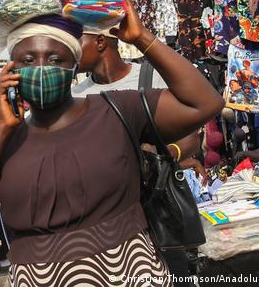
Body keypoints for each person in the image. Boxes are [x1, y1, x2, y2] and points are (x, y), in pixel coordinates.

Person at [0, 0, 224, 286]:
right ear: (11, 71)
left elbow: (205, 103)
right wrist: (0, 127)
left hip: (128, 273)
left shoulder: (117, 108)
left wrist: (142, 38)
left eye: (54, 58)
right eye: (27, 59)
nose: (41, 68)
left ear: (73, 64)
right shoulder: (7, 141)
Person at [73, 27, 207, 286]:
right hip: (107, 228)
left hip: (159, 220)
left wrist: (162, 158)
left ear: (100, 42)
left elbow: (191, 137)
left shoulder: (150, 78)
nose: (69, 48)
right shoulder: (76, 96)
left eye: (76, 40)